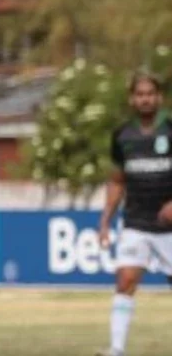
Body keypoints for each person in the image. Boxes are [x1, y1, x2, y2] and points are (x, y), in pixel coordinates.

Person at [96, 72, 172, 356]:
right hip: (136, 222)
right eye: (140, 94)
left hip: (169, 227)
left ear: (159, 97)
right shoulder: (122, 136)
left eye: (150, 93)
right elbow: (117, 180)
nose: (145, 99)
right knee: (125, 281)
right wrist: (105, 220)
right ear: (132, 99)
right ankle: (116, 350)